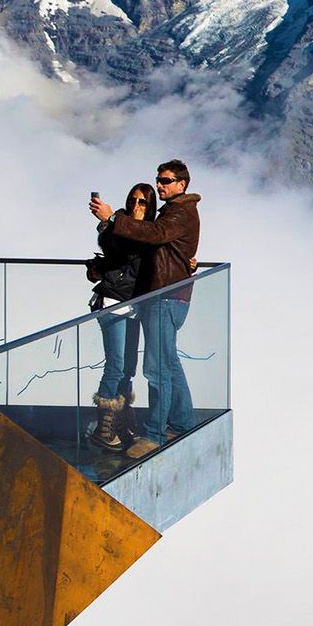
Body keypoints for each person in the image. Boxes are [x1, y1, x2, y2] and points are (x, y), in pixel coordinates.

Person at [91, 159, 201, 459]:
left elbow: (156, 235)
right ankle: (181, 423)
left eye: (166, 181)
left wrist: (113, 218)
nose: (160, 184)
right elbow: (155, 247)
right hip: (164, 296)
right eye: (159, 180)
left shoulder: (178, 212)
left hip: (165, 297)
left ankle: (154, 435)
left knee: (157, 368)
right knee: (168, 363)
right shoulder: (173, 212)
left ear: (182, 184)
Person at [86, 182, 156, 452]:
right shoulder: (119, 225)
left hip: (134, 304)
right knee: (115, 365)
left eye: (143, 202)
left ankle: (120, 421)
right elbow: (116, 249)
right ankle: (104, 428)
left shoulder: (149, 230)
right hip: (113, 301)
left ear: (150, 207)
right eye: (133, 200)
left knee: (128, 367)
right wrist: (109, 222)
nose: (137, 206)